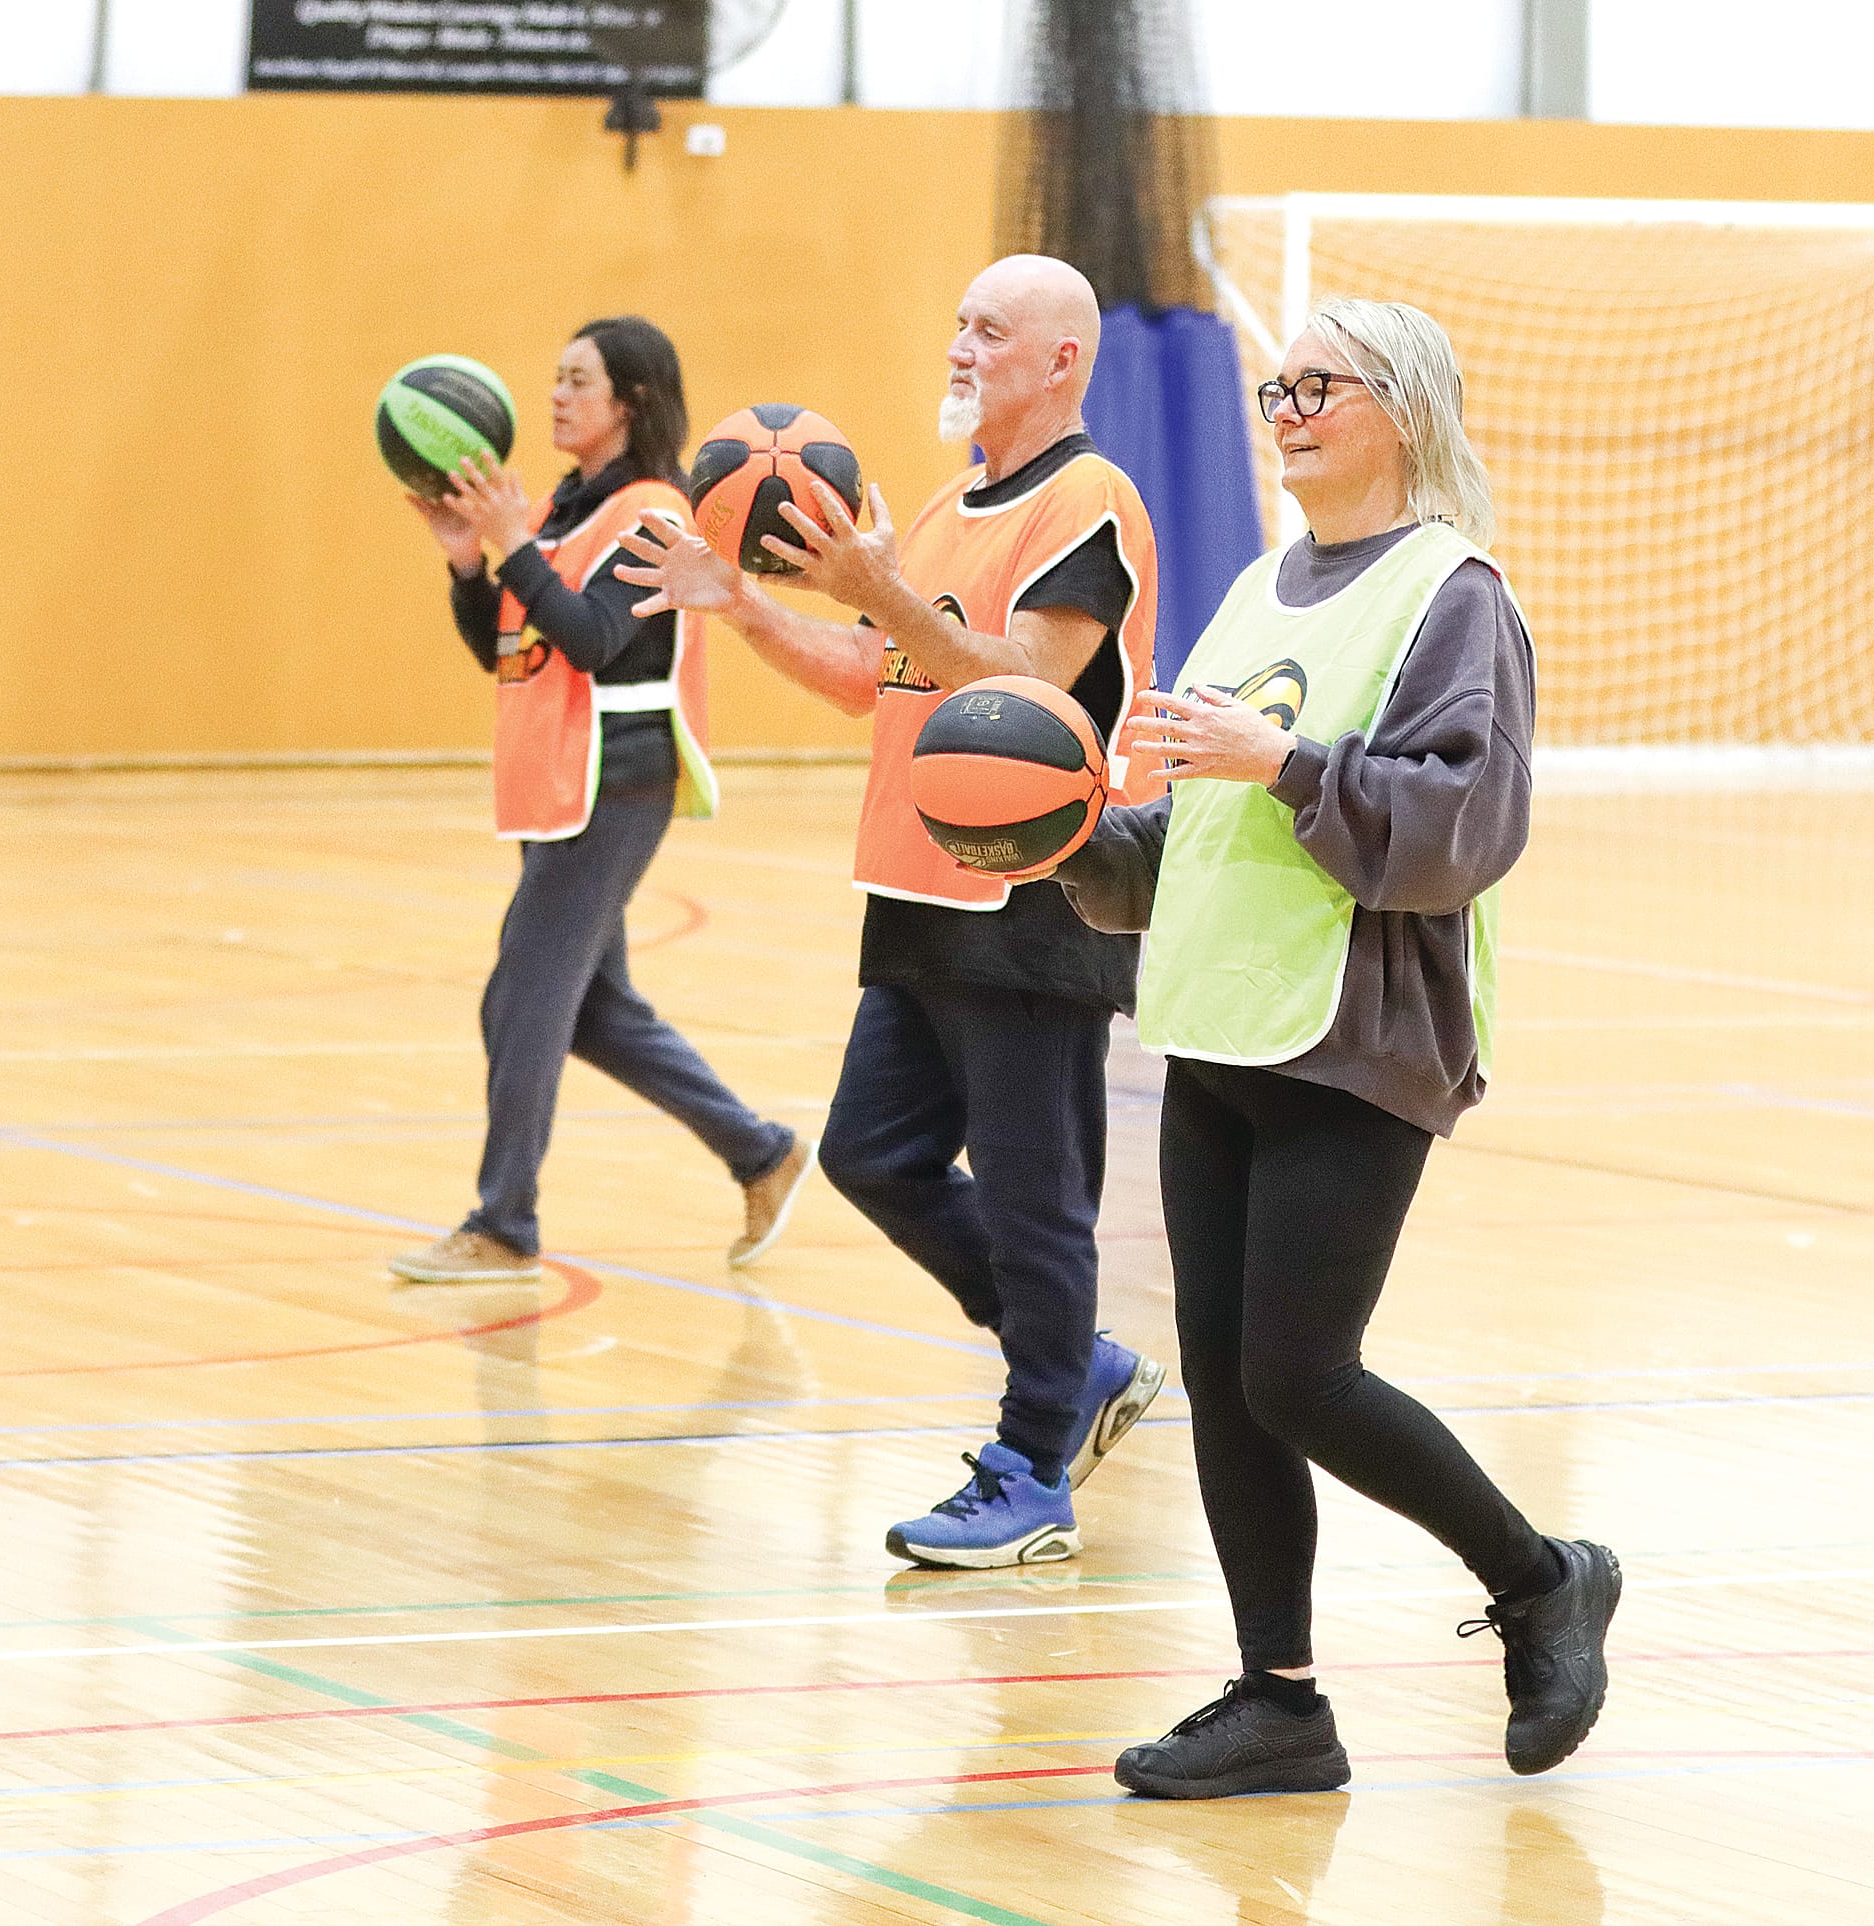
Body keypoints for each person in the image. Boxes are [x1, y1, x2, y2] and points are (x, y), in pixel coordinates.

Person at [1053, 299, 1617, 1793]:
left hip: (1359, 1029)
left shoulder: (1453, 595)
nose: (1286, 405)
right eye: (1273, 384)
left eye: (1321, 384)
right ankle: (1278, 1700)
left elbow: (1460, 826)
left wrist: (1286, 758)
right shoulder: (1257, 587)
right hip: (1220, 1016)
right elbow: (1205, 825)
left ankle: (1541, 1572)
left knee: (1299, 1373)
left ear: (1405, 410)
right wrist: (1066, 843)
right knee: (1231, 1378)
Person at [618, 256, 1166, 1568]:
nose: (962, 345)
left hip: (1035, 890)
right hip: (920, 884)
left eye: (991, 329)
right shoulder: (937, 508)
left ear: (1060, 362)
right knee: (872, 1153)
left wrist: (876, 587)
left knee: (1037, 1198)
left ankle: (1035, 1462)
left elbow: (1027, 678)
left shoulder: (1088, 500)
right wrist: (743, 602)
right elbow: (880, 674)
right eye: (959, 320)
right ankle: (1075, 1359)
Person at [389, 316, 812, 1285]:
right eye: (554, 376)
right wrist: (471, 561)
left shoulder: (658, 513)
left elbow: (590, 637)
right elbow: (510, 646)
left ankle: (504, 1225)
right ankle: (761, 1153)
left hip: (614, 782)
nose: (554, 395)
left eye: (577, 380)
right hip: (556, 782)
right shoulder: (559, 507)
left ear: (630, 400)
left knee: (520, 1001)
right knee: (592, 1012)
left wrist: (511, 545)